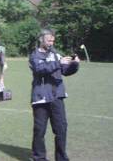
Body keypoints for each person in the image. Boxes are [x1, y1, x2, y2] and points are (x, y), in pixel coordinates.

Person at [29, 28, 80, 161]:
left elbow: (65, 71)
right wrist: (59, 63)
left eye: (52, 40)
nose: (51, 43)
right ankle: (39, 158)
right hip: (40, 98)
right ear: (41, 39)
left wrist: (74, 65)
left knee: (61, 129)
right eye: (48, 40)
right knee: (39, 131)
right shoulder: (34, 55)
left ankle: (61, 158)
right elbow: (40, 69)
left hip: (57, 97)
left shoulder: (56, 54)